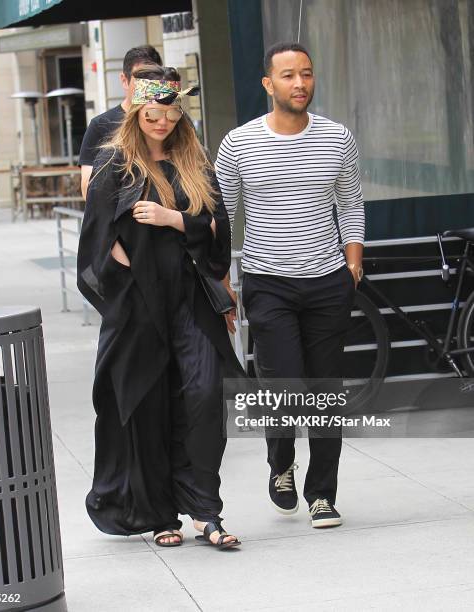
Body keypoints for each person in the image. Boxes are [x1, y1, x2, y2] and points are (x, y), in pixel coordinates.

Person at [77, 64, 243, 549]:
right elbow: (97, 237)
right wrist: (130, 273)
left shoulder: (195, 163)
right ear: (137, 112)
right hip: (139, 306)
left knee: (204, 397)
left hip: (191, 301)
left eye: (170, 113)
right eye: (154, 113)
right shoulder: (116, 165)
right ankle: (162, 514)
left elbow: (217, 231)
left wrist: (175, 220)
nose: (163, 122)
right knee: (148, 408)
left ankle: (206, 512)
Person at [216, 42, 365, 528]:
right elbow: (224, 215)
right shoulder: (238, 144)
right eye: (287, 75)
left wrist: (353, 260)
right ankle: (281, 463)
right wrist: (224, 280)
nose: (299, 83)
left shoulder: (337, 138)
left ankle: (322, 493)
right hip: (268, 283)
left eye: (306, 74)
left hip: (327, 282)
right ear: (268, 83)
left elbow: (351, 201)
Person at [78, 45, 163, 199]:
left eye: (153, 81)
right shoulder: (101, 125)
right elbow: (87, 190)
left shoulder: (173, 121)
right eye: (141, 81)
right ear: (124, 80)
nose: (147, 88)